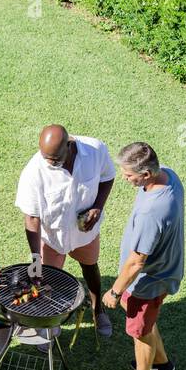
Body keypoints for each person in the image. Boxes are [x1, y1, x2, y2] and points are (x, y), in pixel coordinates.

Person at [101, 142, 185, 370]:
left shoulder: (152, 211)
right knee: (146, 323)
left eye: (128, 175)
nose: (125, 178)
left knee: (139, 330)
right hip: (163, 271)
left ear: (146, 174)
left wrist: (115, 291)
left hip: (149, 280)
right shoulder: (169, 175)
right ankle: (162, 364)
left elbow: (137, 262)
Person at [15, 124, 116, 335]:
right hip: (52, 237)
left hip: (84, 232)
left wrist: (97, 206)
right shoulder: (33, 172)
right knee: (48, 279)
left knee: (90, 268)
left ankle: (98, 311)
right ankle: (51, 322)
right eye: (46, 158)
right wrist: (36, 257)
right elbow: (32, 218)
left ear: (69, 145)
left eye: (54, 159)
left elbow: (107, 177)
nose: (49, 163)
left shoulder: (95, 150)